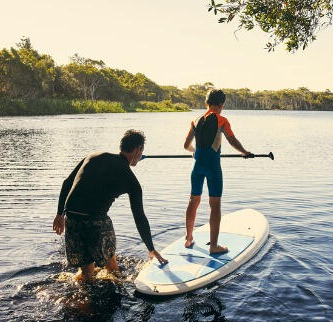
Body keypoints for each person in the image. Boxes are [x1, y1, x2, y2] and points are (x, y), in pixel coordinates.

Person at [53, 129, 168, 281]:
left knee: (87, 271)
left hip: (72, 218)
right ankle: (118, 286)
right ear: (137, 150)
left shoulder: (94, 156)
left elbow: (67, 183)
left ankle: (84, 299)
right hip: (95, 221)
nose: (140, 155)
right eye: (141, 151)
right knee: (112, 265)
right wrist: (151, 249)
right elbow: (139, 216)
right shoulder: (131, 181)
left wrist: (60, 214)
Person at [183, 89, 253, 254]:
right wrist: (244, 152)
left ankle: (188, 238)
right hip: (213, 168)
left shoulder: (195, 120)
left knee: (193, 200)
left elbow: (186, 145)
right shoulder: (222, 120)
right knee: (215, 205)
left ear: (206, 103)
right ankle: (214, 246)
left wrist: (194, 151)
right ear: (221, 104)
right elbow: (232, 140)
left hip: (197, 167)